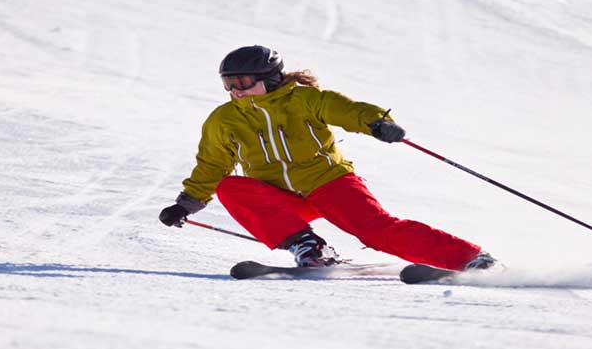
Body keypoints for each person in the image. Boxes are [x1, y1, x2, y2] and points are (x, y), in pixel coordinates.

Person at [159, 45, 495, 271]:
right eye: (229, 84)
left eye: (243, 82)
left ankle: (472, 259)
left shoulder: (304, 99)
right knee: (230, 186)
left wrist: (378, 123)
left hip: (328, 182)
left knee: (376, 231)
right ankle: (309, 247)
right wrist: (187, 204)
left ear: (269, 78)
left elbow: (346, 110)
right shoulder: (224, 119)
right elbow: (212, 164)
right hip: (281, 196)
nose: (236, 90)